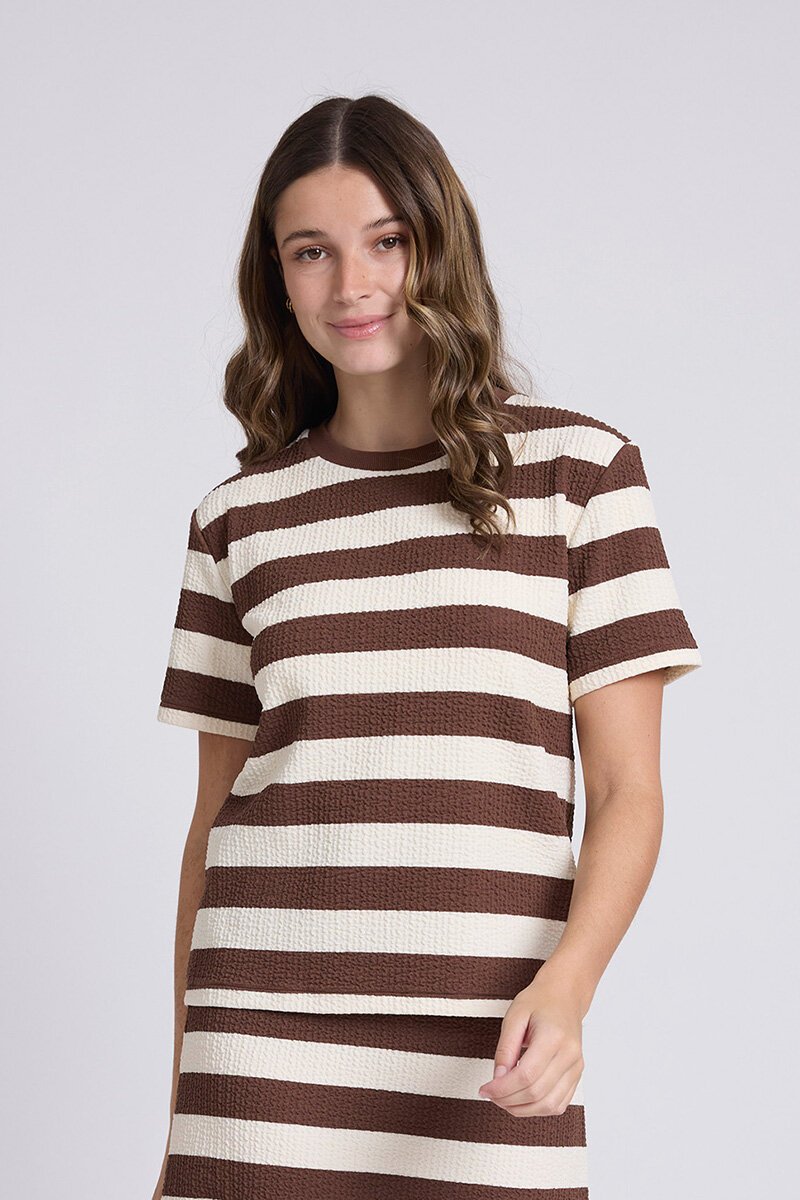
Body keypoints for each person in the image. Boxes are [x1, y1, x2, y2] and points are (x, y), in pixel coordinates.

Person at [151, 94, 702, 1200]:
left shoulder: (580, 477)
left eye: (386, 241)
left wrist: (569, 985)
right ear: (277, 278)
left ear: (439, 248)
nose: (351, 284)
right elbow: (211, 825)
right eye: (311, 251)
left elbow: (627, 791)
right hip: (258, 1034)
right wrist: (183, 1101)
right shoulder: (237, 520)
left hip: (491, 1032)